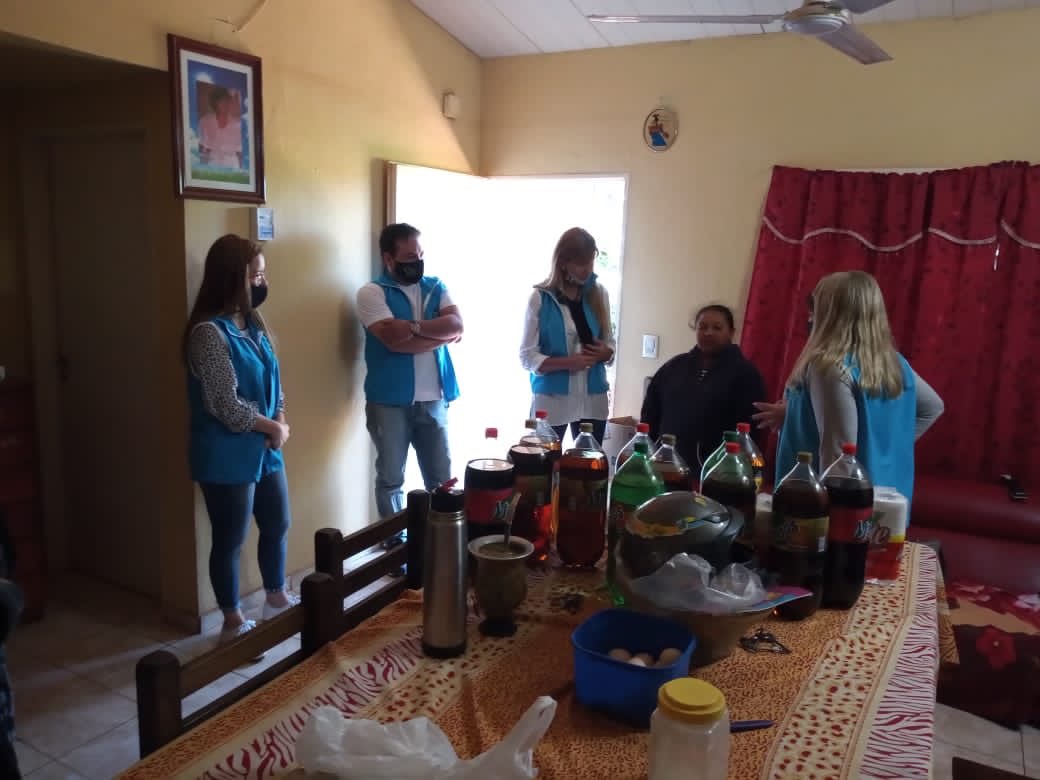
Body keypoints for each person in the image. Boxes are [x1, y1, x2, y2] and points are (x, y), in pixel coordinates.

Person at [185, 235, 295, 642]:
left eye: (262, 274)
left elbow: (274, 382)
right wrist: (273, 428)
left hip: (264, 448)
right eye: (256, 276)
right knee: (230, 539)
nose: (262, 282)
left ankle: (276, 597)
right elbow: (225, 405)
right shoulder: (207, 334)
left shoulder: (254, 325)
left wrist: (279, 416)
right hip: (225, 455)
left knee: (277, 522)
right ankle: (232, 622)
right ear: (232, 278)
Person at [755, 270, 944, 502]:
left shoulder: (829, 366)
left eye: (816, 306)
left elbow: (838, 459)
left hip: (835, 506)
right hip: (889, 502)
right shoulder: (893, 362)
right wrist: (887, 449)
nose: (810, 316)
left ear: (830, 313)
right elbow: (932, 408)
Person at [358, 223, 463, 519]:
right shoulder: (372, 293)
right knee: (391, 479)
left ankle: (441, 537)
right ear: (388, 258)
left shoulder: (435, 286)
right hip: (388, 401)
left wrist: (413, 328)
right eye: (408, 258)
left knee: (442, 481)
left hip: (435, 399)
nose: (416, 263)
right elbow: (393, 341)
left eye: (420, 256)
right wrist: (439, 336)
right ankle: (395, 541)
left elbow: (457, 325)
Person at [641, 304, 766, 470]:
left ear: (731, 332)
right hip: (665, 463)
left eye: (717, 328)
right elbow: (650, 412)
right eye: (703, 327)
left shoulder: (746, 374)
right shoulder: (673, 367)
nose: (708, 333)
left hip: (717, 470)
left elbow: (750, 430)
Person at [519, 227, 615, 445]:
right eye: (581, 264)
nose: (587, 270)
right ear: (562, 262)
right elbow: (527, 357)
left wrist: (605, 353)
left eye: (590, 263)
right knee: (545, 461)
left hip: (593, 399)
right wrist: (568, 363)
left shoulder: (599, 294)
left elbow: (609, 343)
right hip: (553, 401)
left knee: (590, 462)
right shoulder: (539, 298)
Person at [198, 85, 243, 169]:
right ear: (215, 103)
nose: (225, 104)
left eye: (227, 101)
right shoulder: (205, 121)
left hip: (233, 166)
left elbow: (240, 153)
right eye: (221, 101)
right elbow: (202, 148)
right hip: (212, 164)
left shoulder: (238, 124)